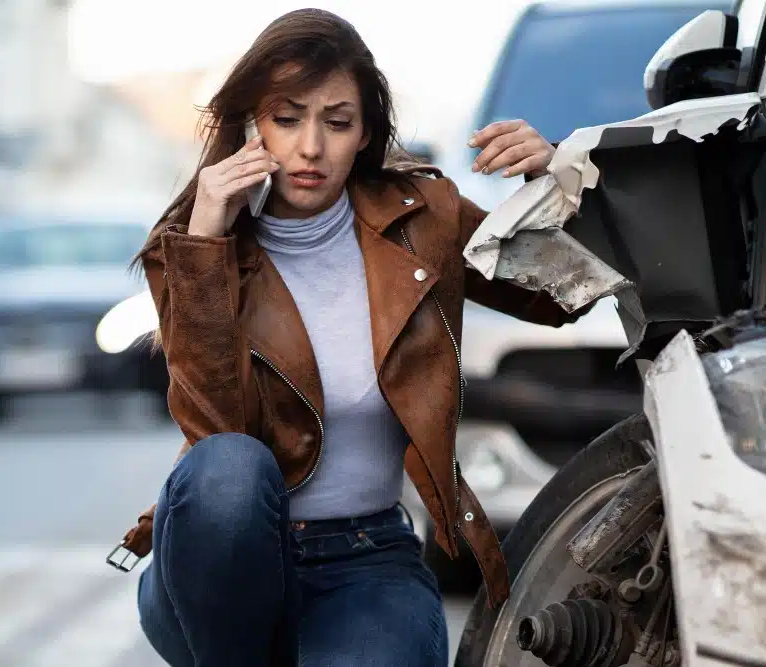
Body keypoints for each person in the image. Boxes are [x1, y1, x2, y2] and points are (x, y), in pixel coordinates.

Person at [111, 9, 590, 667]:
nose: (311, 147)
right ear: (252, 125)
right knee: (228, 467)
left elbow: (563, 295)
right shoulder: (192, 248)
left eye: (336, 122)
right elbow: (214, 427)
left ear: (365, 133)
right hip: (221, 573)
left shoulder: (425, 219)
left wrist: (555, 181)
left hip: (366, 564)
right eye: (286, 118)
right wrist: (206, 246)